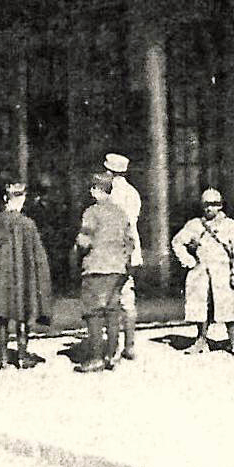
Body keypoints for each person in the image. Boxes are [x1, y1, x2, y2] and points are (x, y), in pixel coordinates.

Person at [0, 182, 53, 370]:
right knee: (23, 315)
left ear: (5, 199)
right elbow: (37, 257)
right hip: (22, 279)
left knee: (2, 315)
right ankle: (22, 356)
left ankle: (2, 357)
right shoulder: (27, 225)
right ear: (21, 199)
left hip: (1, 279)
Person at [172, 187, 234, 355]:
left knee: (228, 307)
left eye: (214, 204)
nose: (209, 208)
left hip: (223, 271)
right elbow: (177, 242)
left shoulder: (231, 225)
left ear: (220, 205)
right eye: (206, 204)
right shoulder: (194, 225)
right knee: (200, 306)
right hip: (201, 271)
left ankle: (233, 342)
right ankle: (201, 340)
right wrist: (188, 261)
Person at [73, 173, 132, 373]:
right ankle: (112, 356)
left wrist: (76, 250)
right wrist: (123, 261)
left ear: (96, 190)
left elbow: (84, 241)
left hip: (96, 268)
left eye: (93, 188)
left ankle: (96, 357)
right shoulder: (121, 213)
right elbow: (130, 242)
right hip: (118, 270)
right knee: (113, 311)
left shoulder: (92, 212)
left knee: (94, 313)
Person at [103, 153, 142, 360]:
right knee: (128, 297)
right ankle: (130, 345)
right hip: (131, 250)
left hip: (115, 250)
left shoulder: (110, 194)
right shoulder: (133, 192)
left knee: (112, 299)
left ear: (110, 172)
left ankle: (114, 347)